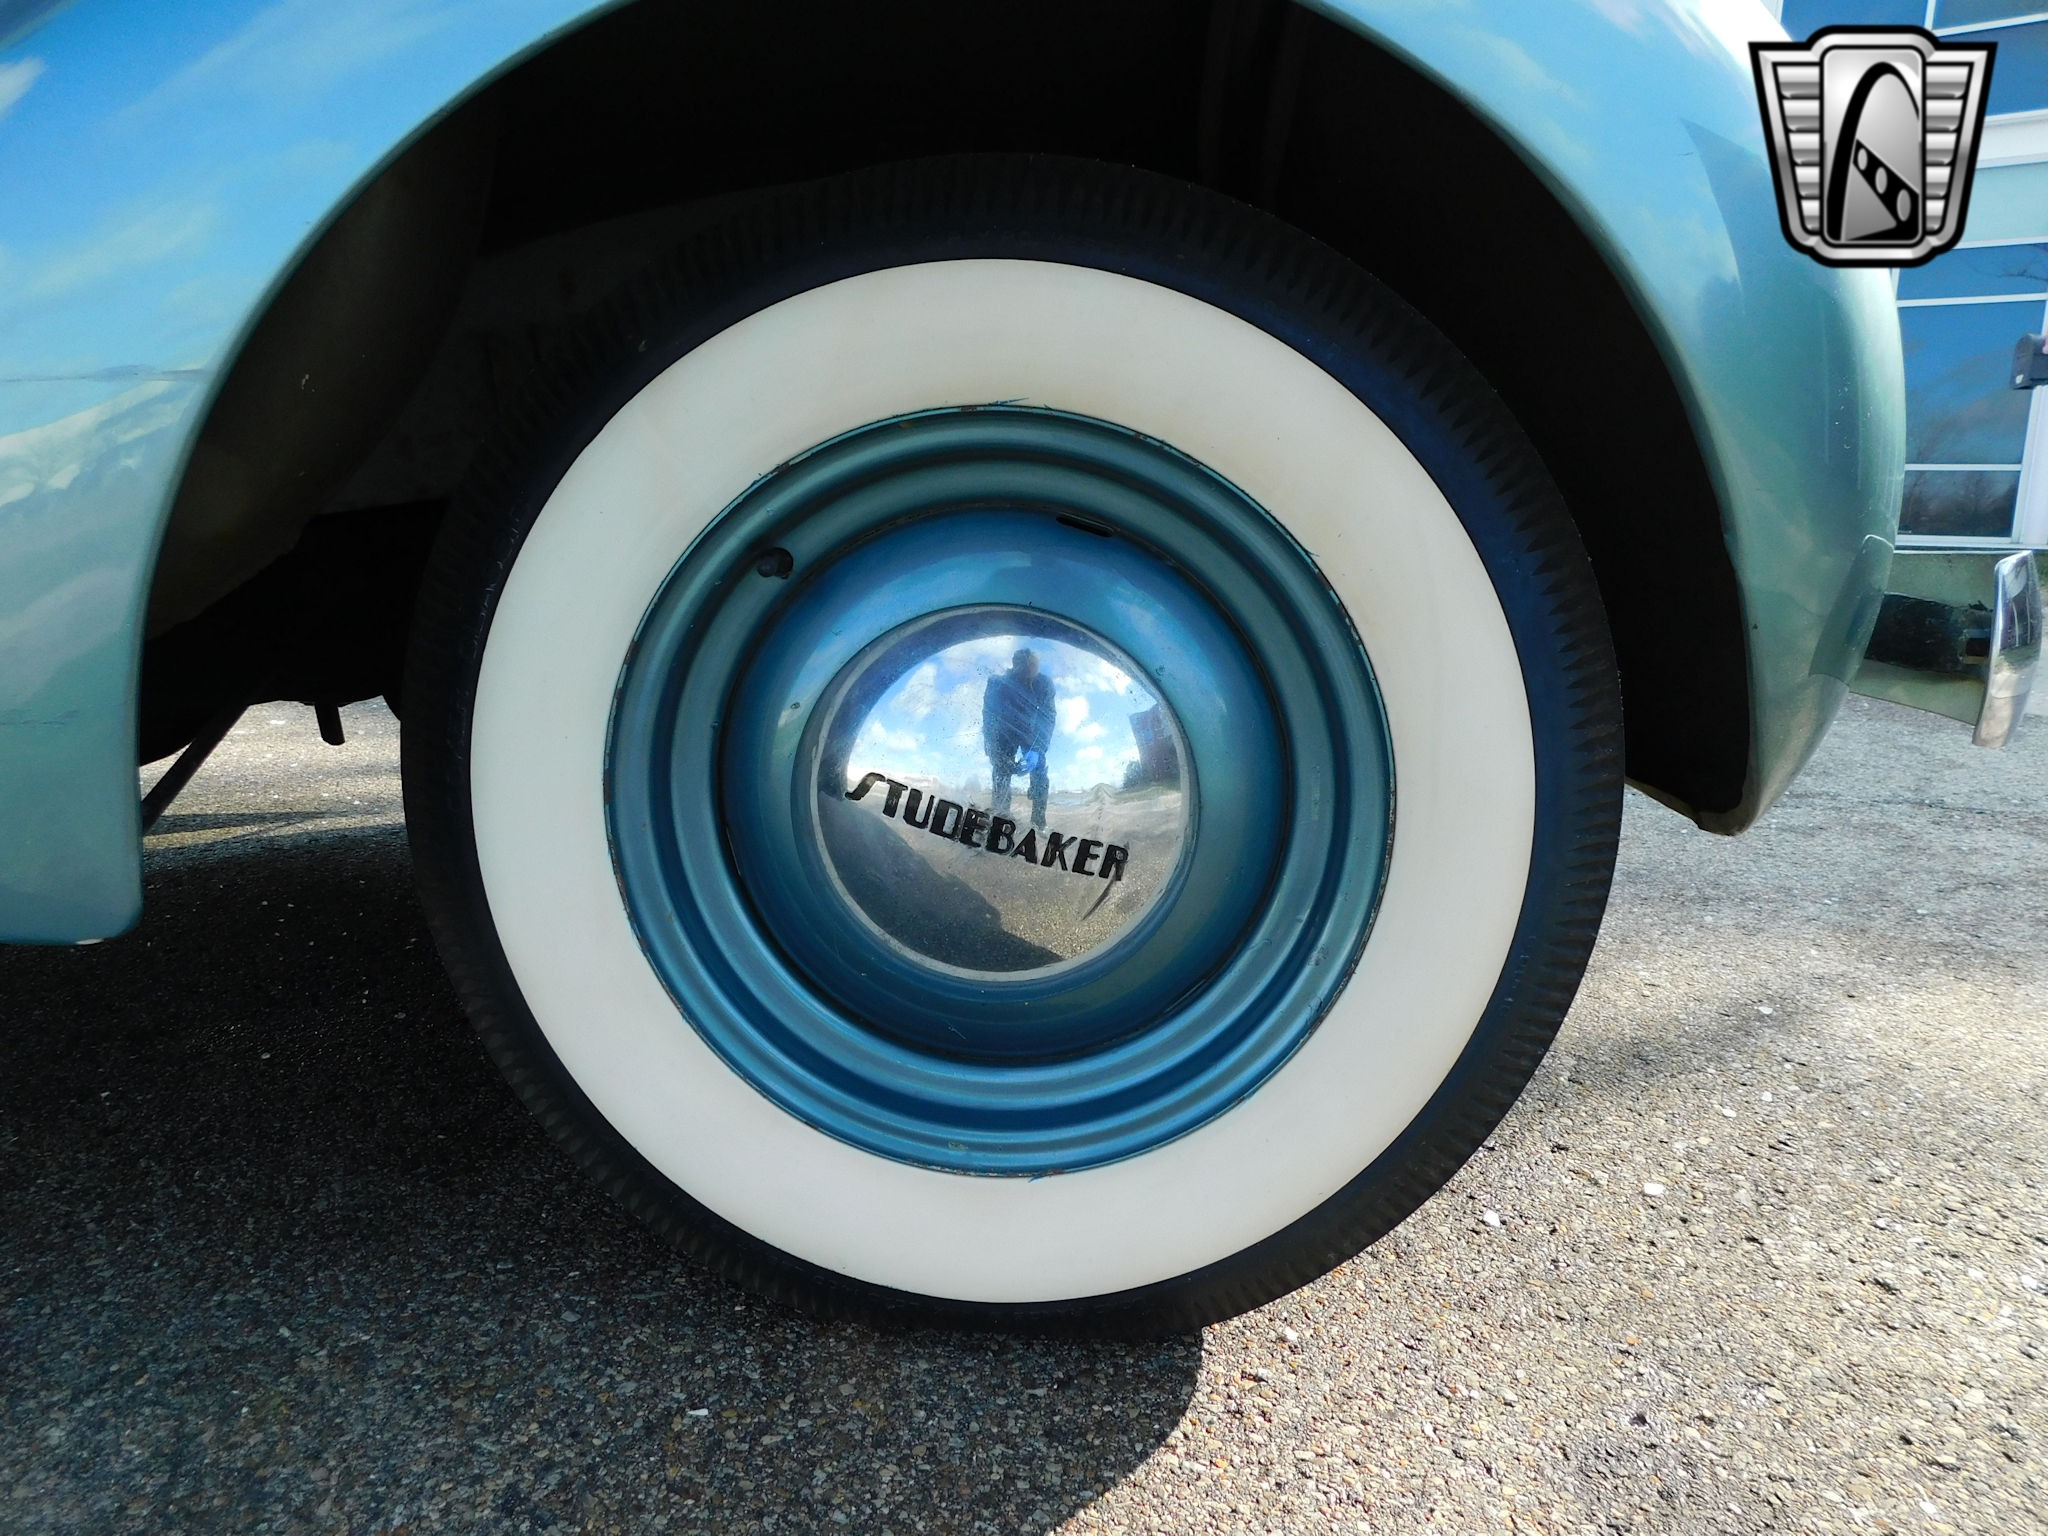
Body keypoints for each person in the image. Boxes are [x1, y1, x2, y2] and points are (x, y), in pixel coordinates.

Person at [982, 647, 1055, 829]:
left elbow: (1048, 716)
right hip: (1003, 731)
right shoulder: (997, 683)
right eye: (1025, 666)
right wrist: (992, 748)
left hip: (1032, 732)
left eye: (1033, 666)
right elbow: (989, 716)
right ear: (1015, 665)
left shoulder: (1044, 684)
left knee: (1039, 769)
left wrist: (1037, 749)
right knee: (1001, 770)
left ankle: (1039, 823)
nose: (1030, 671)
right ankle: (1000, 816)